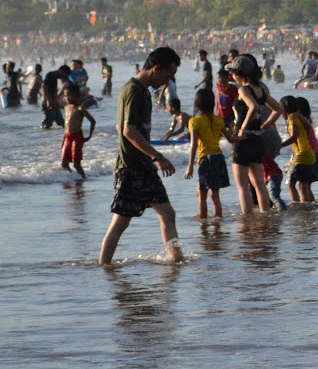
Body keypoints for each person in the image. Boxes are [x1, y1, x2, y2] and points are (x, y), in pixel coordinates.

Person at [99, 47, 184, 265]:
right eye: (167, 75)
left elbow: (121, 126)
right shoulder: (134, 90)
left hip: (144, 166)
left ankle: (176, 263)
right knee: (121, 222)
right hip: (130, 167)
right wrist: (158, 157)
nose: (167, 81)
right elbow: (128, 130)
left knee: (168, 214)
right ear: (155, 69)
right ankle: (104, 267)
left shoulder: (144, 91)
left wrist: (151, 158)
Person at [227, 55, 283, 214]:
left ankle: (247, 219)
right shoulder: (260, 90)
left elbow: (253, 107)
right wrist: (264, 126)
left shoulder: (243, 89)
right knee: (259, 183)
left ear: (238, 74)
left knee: (242, 186)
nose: (231, 76)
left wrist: (243, 128)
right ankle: (265, 214)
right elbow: (278, 109)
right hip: (257, 140)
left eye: (232, 73)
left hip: (243, 141)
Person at [183, 86, 234, 218]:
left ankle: (203, 225)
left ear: (197, 103)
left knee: (202, 195)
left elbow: (194, 145)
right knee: (215, 196)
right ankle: (218, 224)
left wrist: (190, 167)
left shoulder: (194, 122)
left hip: (205, 160)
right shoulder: (219, 120)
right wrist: (241, 136)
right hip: (218, 158)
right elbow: (230, 139)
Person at [283, 96, 318, 203]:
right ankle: (308, 206)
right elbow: (309, 127)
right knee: (304, 184)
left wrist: (279, 145)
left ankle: (299, 207)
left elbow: (294, 137)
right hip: (309, 154)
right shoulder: (300, 118)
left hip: (301, 156)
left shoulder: (292, 119)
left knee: (290, 184)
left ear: (284, 110)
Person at [60, 83, 96, 178]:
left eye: (69, 95)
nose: (67, 98)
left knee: (76, 163)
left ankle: (83, 178)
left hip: (77, 136)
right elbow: (66, 125)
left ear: (76, 95)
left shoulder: (80, 107)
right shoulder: (67, 107)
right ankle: (74, 177)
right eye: (65, 96)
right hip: (67, 137)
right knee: (64, 163)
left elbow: (92, 121)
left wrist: (89, 136)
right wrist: (64, 139)